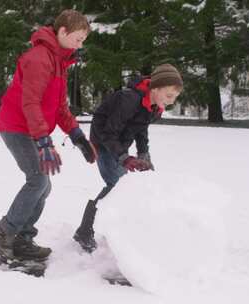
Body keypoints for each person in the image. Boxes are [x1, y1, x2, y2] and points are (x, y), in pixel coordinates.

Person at [0, 9, 97, 262]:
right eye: (78, 39)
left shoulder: (59, 62)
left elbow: (59, 108)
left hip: (31, 129)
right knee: (38, 180)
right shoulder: (39, 58)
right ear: (62, 32)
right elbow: (31, 103)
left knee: (43, 185)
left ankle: (23, 238)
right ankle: (3, 232)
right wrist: (43, 141)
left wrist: (78, 136)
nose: (81, 45)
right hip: (16, 126)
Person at [74, 64, 183, 253]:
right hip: (103, 143)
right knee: (116, 186)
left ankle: (117, 230)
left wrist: (144, 155)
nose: (171, 101)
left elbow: (141, 128)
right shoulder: (129, 100)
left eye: (174, 97)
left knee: (123, 187)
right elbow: (108, 133)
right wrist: (124, 158)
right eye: (169, 95)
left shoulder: (153, 105)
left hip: (118, 144)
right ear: (155, 88)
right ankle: (85, 231)